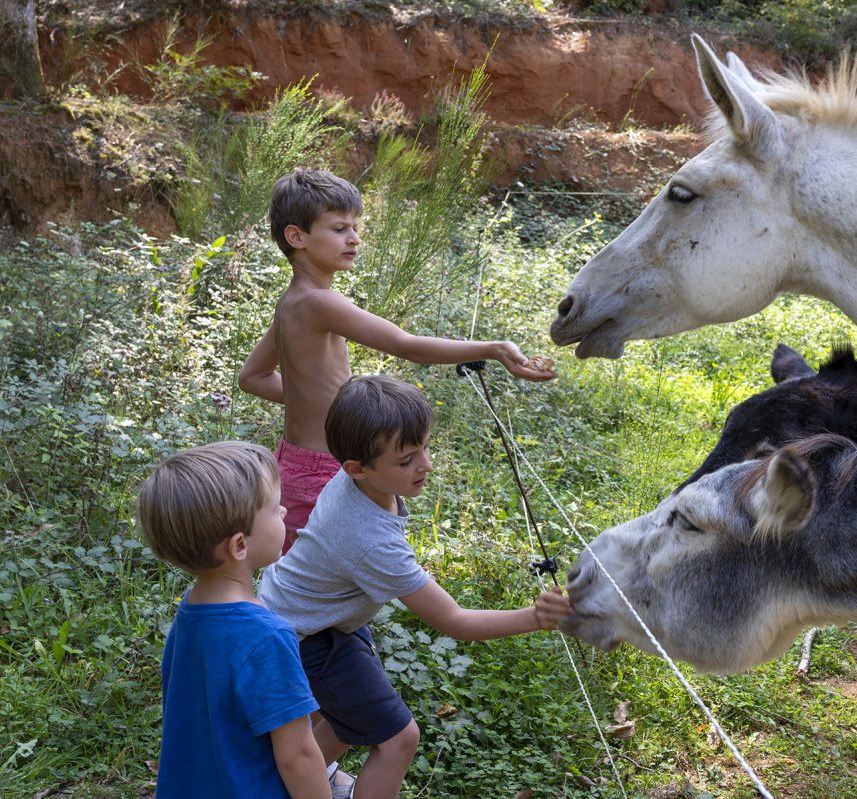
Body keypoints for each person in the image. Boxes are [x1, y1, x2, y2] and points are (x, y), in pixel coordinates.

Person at [260, 375, 572, 799]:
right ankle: (295, 784)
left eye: (424, 446)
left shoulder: (358, 480)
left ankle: (294, 782)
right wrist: (535, 618)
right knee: (399, 738)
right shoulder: (371, 543)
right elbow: (456, 621)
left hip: (301, 612)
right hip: (305, 635)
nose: (425, 464)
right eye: (406, 460)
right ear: (356, 468)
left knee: (348, 714)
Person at [238, 167, 556, 554]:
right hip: (324, 468)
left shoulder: (292, 301)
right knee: (322, 577)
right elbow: (406, 346)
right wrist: (493, 349)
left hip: (294, 460)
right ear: (297, 236)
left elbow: (252, 377)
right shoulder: (320, 302)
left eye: (355, 227)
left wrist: (313, 402)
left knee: (306, 575)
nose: (353, 238)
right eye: (339, 229)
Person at [137, 441, 331, 799]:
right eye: (274, 509)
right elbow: (298, 754)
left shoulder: (191, 612)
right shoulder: (267, 636)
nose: (286, 511)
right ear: (239, 545)